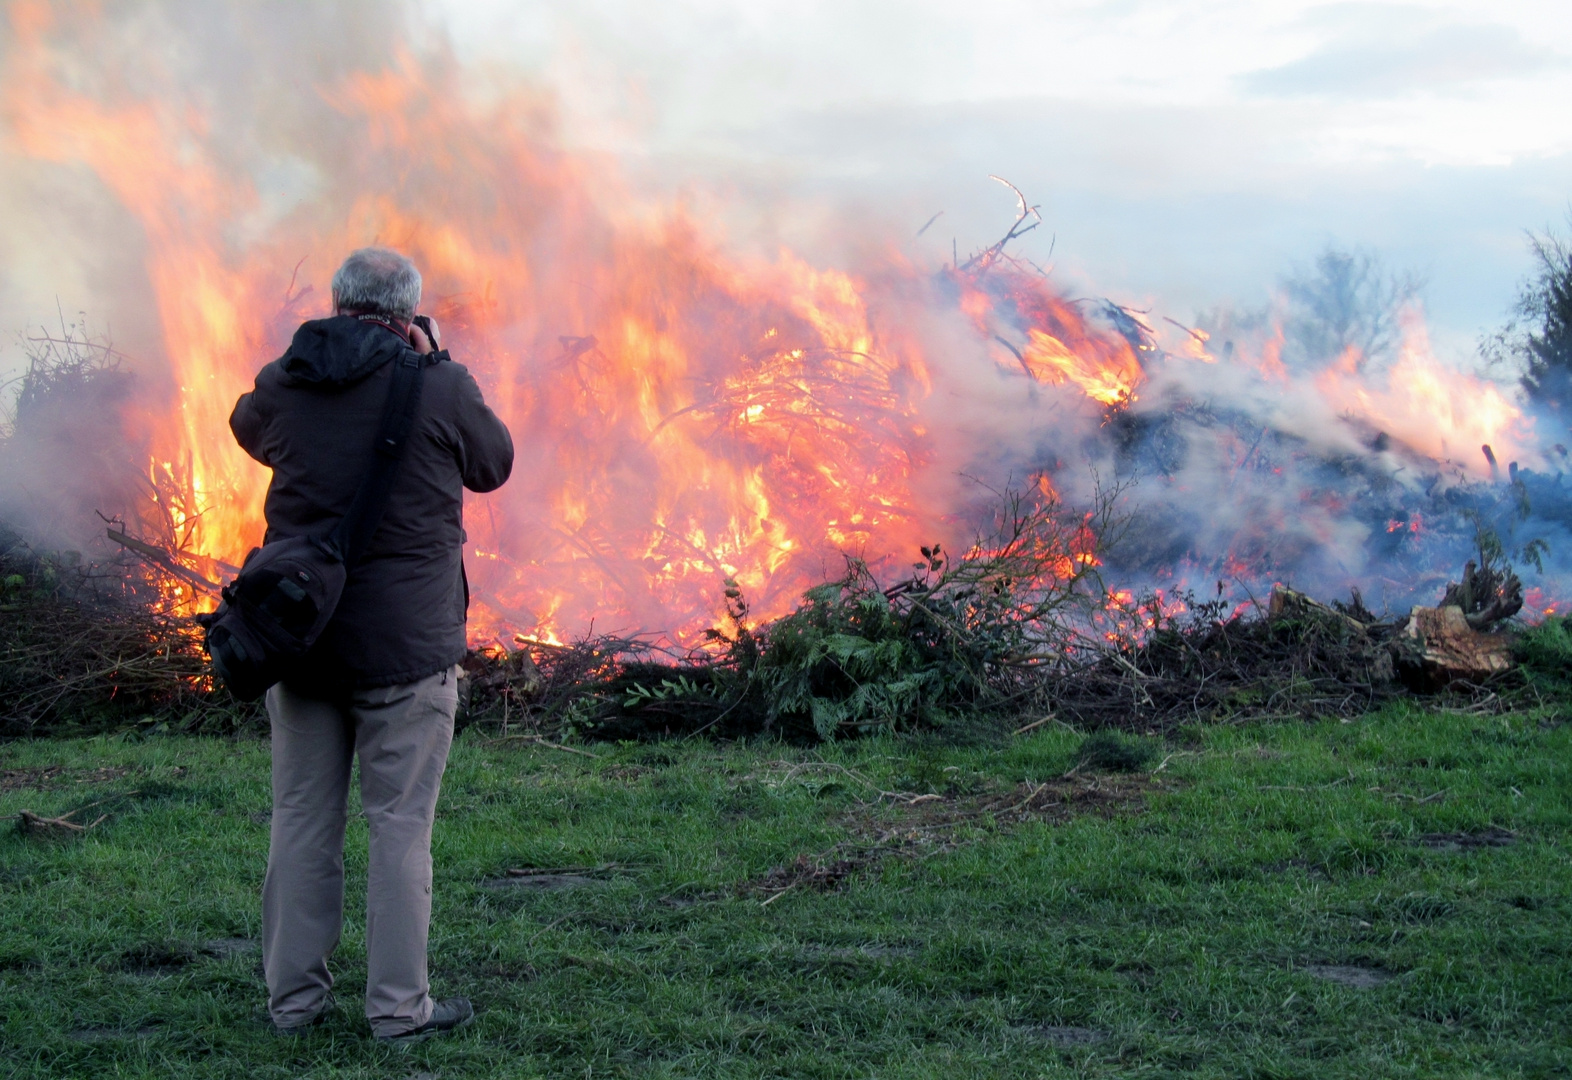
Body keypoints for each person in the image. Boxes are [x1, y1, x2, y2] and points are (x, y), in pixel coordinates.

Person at [229, 247, 513, 1042]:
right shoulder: (440, 385)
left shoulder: (288, 378)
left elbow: (249, 430)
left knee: (301, 821)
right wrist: (439, 359)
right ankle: (397, 1012)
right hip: (408, 651)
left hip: (303, 641)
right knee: (398, 827)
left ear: (336, 302)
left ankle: (293, 1007)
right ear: (407, 312)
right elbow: (493, 464)